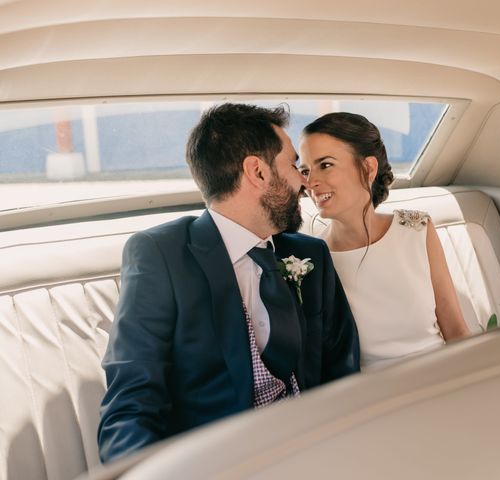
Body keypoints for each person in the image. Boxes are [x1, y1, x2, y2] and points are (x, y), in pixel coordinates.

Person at [98, 104, 360, 463]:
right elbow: (131, 403)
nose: (304, 182)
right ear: (257, 171)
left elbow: (342, 371)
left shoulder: (310, 254)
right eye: (293, 165)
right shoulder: (161, 254)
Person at [298, 112, 469, 370]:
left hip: (443, 379)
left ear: (368, 168)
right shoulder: (311, 260)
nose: (311, 183)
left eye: (325, 165)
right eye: (305, 170)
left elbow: (456, 331)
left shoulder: (417, 229)